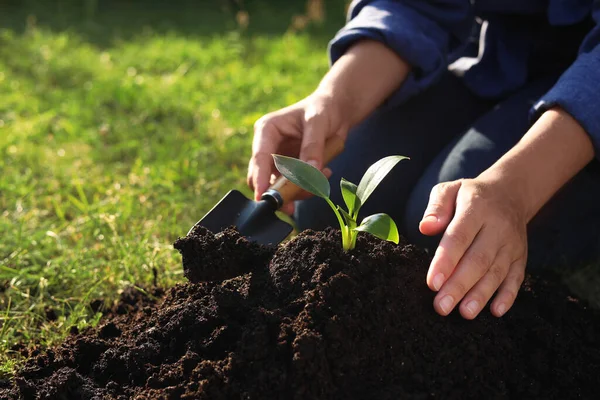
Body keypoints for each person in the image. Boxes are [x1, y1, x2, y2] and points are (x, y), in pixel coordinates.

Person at [246, 0, 600, 320]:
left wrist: (517, 191)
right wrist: (335, 99)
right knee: (325, 204)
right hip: (497, 58)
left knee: (448, 230)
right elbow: (416, 7)